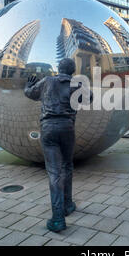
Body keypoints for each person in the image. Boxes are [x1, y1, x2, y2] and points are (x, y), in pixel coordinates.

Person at [24, 58, 88, 233]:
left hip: (49, 129)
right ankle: (67, 205)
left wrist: (27, 86)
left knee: (54, 172)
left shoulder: (47, 81)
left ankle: (58, 218)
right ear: (72, 71)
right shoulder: (76, 84)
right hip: (67, 128)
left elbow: (30, 93)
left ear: (59, 69)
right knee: (67, 165)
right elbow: (89, 99)